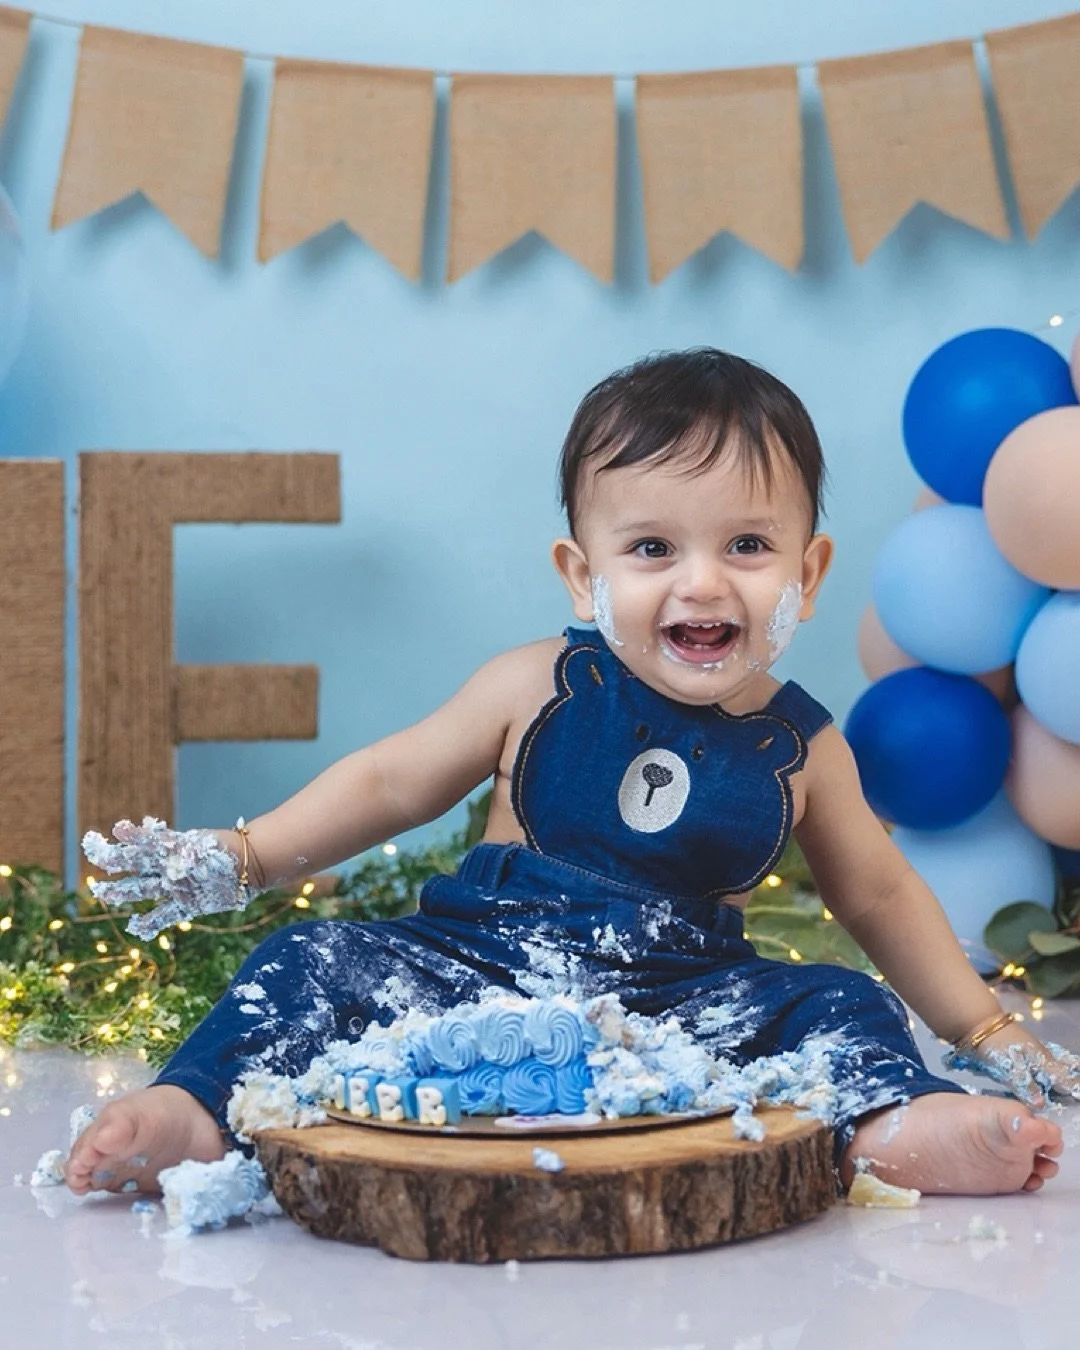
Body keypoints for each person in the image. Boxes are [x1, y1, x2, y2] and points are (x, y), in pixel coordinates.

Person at [66, 348, 1076, 1200]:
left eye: (749, 545)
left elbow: (881, 890)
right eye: (651, 547)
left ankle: (893, 1127)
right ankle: (196, 1113)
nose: (703, 581)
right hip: (468, 971)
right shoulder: (535, 683)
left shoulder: (803, 747)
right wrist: (247, 855)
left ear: (806, 573)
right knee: (303, 965)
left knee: (840, 1005)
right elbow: (389, 783)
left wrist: (982, 1025)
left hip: (679, 1000)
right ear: (582, 574)